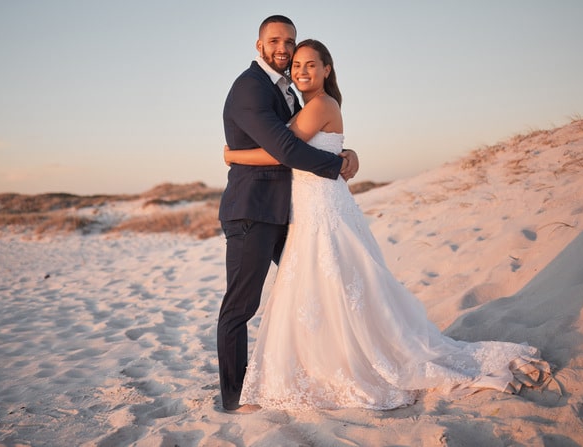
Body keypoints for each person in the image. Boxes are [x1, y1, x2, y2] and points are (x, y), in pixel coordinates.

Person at [224, 39, 552, 410]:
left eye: (311, 64)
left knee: (335, 283)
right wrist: (347, 155)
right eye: (297, 64)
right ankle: (325, 358)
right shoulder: (309, 104)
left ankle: (346, 360)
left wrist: (232, 155)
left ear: (327, 69)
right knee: (325, 286)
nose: (301, 70)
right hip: (311, 206)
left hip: (321, 208)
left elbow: (284, 150)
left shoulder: (320, 105)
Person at [218, 15, 359, 414]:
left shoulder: (285, 90)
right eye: (275, 41)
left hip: (287, 211)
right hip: (253, 213)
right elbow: (287, 148)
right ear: (259, 45)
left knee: (316, 288)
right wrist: (336, 166)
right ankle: (233, 398)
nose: (284, 49)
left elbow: (311, 134)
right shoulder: (250, 88)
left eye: (290, 42)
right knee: (240, 307)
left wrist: (347, 153)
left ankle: (326, 367)